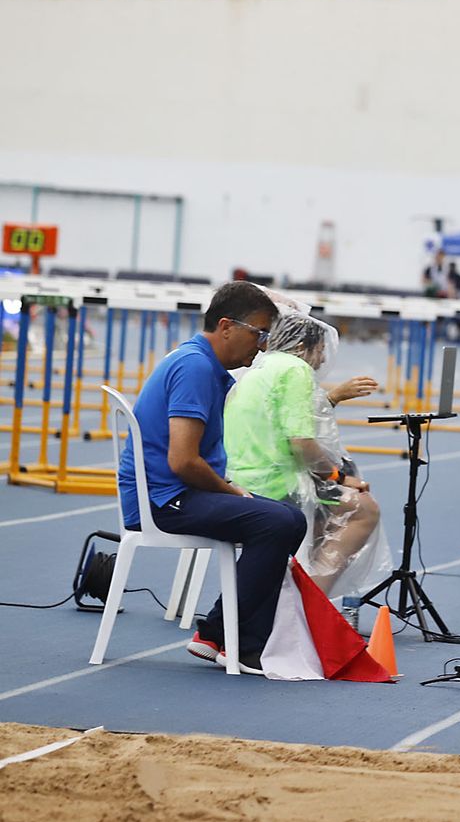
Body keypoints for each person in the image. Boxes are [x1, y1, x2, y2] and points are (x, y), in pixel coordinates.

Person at [116, 282, 303, 676]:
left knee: (288, 517)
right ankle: (221, 636)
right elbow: (183, 461)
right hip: (163, 500)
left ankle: (239, 640)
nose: (263, 346)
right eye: (259, 333)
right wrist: (232, 490)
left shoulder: (201, 363)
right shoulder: (196, 367)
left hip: (174, 491)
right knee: (276, 521)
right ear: (226, 326)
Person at [224, 313, 387, 600]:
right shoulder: (295, 370)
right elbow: (301, 443)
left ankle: (289, 584)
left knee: (332, 507)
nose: (323, 359)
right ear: (302, 347)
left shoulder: (261, 367)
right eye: (321, 349)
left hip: (240, 479)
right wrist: (339, 477)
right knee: (363, 509)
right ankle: (310, 602)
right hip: (274, 488)